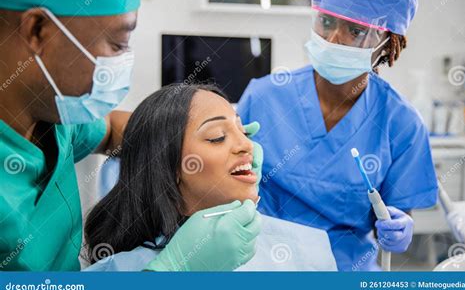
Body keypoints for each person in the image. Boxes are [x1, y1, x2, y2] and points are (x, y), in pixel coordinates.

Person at [0, 0, 261, 271]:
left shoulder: (55, 117)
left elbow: (111, 129)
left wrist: (196, 148)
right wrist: (171, 272)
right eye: (116, 43)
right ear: (38, 30)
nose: (124, 60)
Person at [237, 0, 438, 271]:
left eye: (355, 30)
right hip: (262, 260)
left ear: (388, 43)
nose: (333, 39)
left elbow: (398, 210)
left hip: (345, 267)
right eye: (327, 22)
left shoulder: (401, 123)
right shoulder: (264, 97)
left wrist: (398, 226)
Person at [84, 84, 337, 271]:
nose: (246, 146)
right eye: (217, 136)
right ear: (168, 167)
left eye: (242, 130)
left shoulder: (302, 251)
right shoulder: (118, 271)